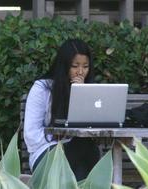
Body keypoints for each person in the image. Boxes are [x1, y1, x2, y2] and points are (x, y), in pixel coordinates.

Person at [24, 38, 100, 181]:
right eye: (75, 66)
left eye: (85, 66)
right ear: (64, 66)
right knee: (82, 147)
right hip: (45, 155)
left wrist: (81, 94)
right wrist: (57, 140)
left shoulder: (87, 90)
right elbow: (31, 135)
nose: (80, 72)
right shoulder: (42, 89)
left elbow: (89, 127)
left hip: (78, 152)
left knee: (87, 148)